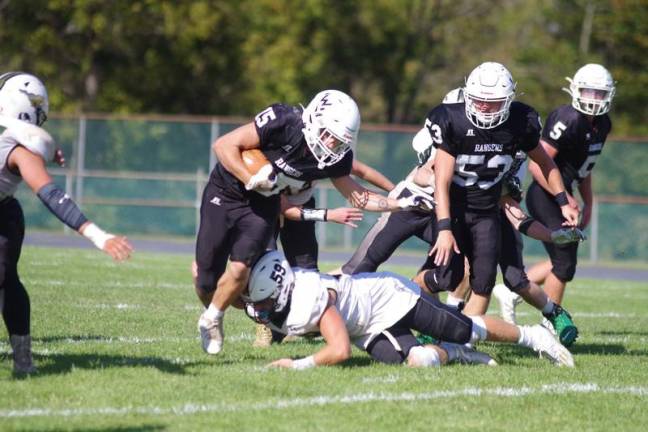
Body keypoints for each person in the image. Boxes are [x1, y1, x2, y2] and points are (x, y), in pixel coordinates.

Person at [195, 89, 432, 356]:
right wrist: (249, 178)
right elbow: (223, 145)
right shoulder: (284, 122)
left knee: (242, 270)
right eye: (328, 134)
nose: (331, 144)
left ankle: (217, 318)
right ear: (313, 120)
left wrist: (400, 203)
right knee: (204, 279)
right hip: (227, 191)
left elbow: (358, 195)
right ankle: (226, 309)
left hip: (265, 202)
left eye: (339, 140)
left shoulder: (335, 157)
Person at [0, 72, 133, 373]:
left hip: (3, 217)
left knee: (5, 278)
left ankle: (23, 359)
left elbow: (51, 194)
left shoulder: (19, 147)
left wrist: (99, 237)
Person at [242, 250, 574, 369]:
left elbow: (339, 350)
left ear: (282, 290)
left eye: (265, 301)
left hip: (391, 298)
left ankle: (535, 338)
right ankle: (456, 355)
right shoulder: (286, 295)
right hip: (366, 326)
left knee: (464, 328)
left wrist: (296, 365)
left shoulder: (308, 298)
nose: (261, 308)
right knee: (420, 362)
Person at [426, 62, 580, 317]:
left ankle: (464, 339)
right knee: (447, 276)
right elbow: (440, 182)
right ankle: (410, 304)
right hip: (449, 206)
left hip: (487, 210)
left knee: (484, 282)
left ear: (508, 100)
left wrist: (564, 202)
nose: (485, 107)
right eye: (478, 100)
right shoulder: (451, 120)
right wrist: (444, 228)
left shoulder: (520, 124)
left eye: (494, 102)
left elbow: (544, 163)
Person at [503, 64, 615, 331]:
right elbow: (537, 166)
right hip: (545, 195)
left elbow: (586, 168)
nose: (594, 99)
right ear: (575, 89)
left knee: (563, 261)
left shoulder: (603, 124)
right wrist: (565, 198)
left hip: (566, 197)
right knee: (564, 262)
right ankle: (551, 324)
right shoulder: (568, 118)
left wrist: (588, 202)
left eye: (600, 93)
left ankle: (513, 290)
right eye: (589, 91)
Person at [253, 159, 394, 347]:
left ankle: (301, 322)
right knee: (264, 267)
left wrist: (397, 191)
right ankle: (266, 324)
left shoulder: (325, 155)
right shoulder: (287, 151)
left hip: (301, 202)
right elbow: (286, 209)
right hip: (266, 204)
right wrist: (329, 214)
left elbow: (361, 170)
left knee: (307, 271)